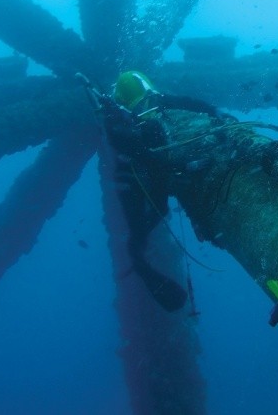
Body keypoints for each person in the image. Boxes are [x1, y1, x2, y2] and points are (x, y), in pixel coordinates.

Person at [90, 70, 220, 312]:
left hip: (153, 172)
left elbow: (179, 101)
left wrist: (213, 110)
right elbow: (147, 157)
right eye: (143, 104)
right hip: (130, 182)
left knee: (160, 208)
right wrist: (185, 165)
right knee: (138, 232)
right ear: (127, 105)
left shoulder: (149, 100)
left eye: (150, 101)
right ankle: (140, 265)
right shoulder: (116, 125)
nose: (149, 108)